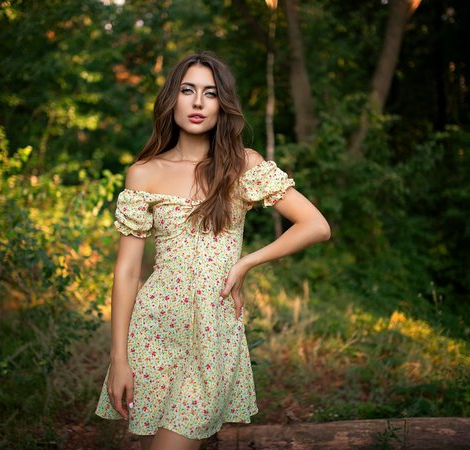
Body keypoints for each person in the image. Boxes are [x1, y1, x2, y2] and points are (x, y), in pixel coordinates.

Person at [95, 52, 330, 450]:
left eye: (210, 93)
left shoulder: (242, 166)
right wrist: (119, 359)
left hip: (213, 331)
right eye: (188, 90)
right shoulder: (144, 172)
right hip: (153, 332)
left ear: (223, 104)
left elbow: (316, 226)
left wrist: (246, 263)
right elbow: (127, 273)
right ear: (173, 98)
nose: (198, 102)